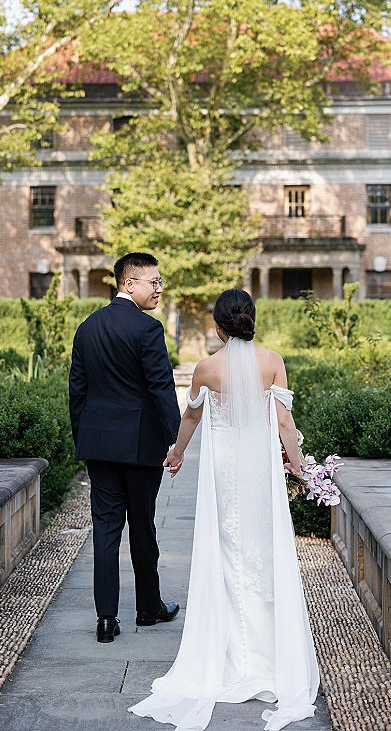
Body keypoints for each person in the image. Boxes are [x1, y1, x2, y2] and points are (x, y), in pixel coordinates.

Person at [130, 288, 319, 731]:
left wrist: (175, 454)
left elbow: (191, 418)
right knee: (264, 549)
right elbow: (286, 423)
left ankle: (234, 651)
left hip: (225, 473)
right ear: (252, 318)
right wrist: (298, 466)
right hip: (261, 469)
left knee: (230, 550)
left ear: (217, 326)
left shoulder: (206, 369)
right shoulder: (272, 361)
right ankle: (271, 654)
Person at [68, 252, 182, 644]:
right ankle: (149, 607)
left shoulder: (87, 328)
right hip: (140, 445)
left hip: (99, 445)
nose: (158, 288)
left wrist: (83, 438)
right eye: (153, 281)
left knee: (105, 531)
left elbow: (77, 391)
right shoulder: (147, 329)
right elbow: (161, 387)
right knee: (143, 527)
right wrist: (176, 437)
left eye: (159, 281)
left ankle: (106, 619)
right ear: (128, 283)